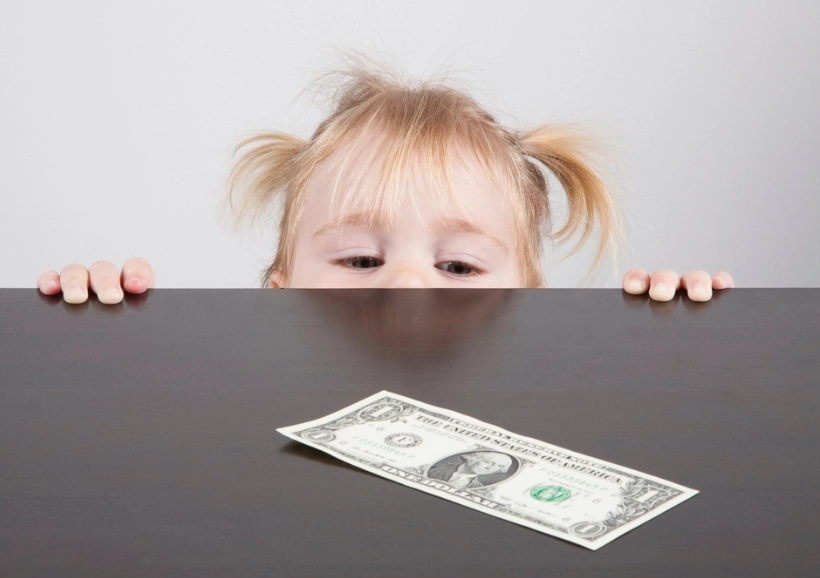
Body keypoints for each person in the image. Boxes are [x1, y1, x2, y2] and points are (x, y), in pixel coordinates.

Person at [37, 67, 733, 302]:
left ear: (530, 301)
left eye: (459, 266)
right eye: (361, 259)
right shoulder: (241, 397)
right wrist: (96, 331)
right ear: (281, 291)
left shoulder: (557, 397)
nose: (406, 284)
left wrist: (673, 341)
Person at [427, 451, 515, 489]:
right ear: (474, 458)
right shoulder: (435, 469)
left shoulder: (478, 488)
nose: (490, 468)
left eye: (499, 466)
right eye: (488, 462)